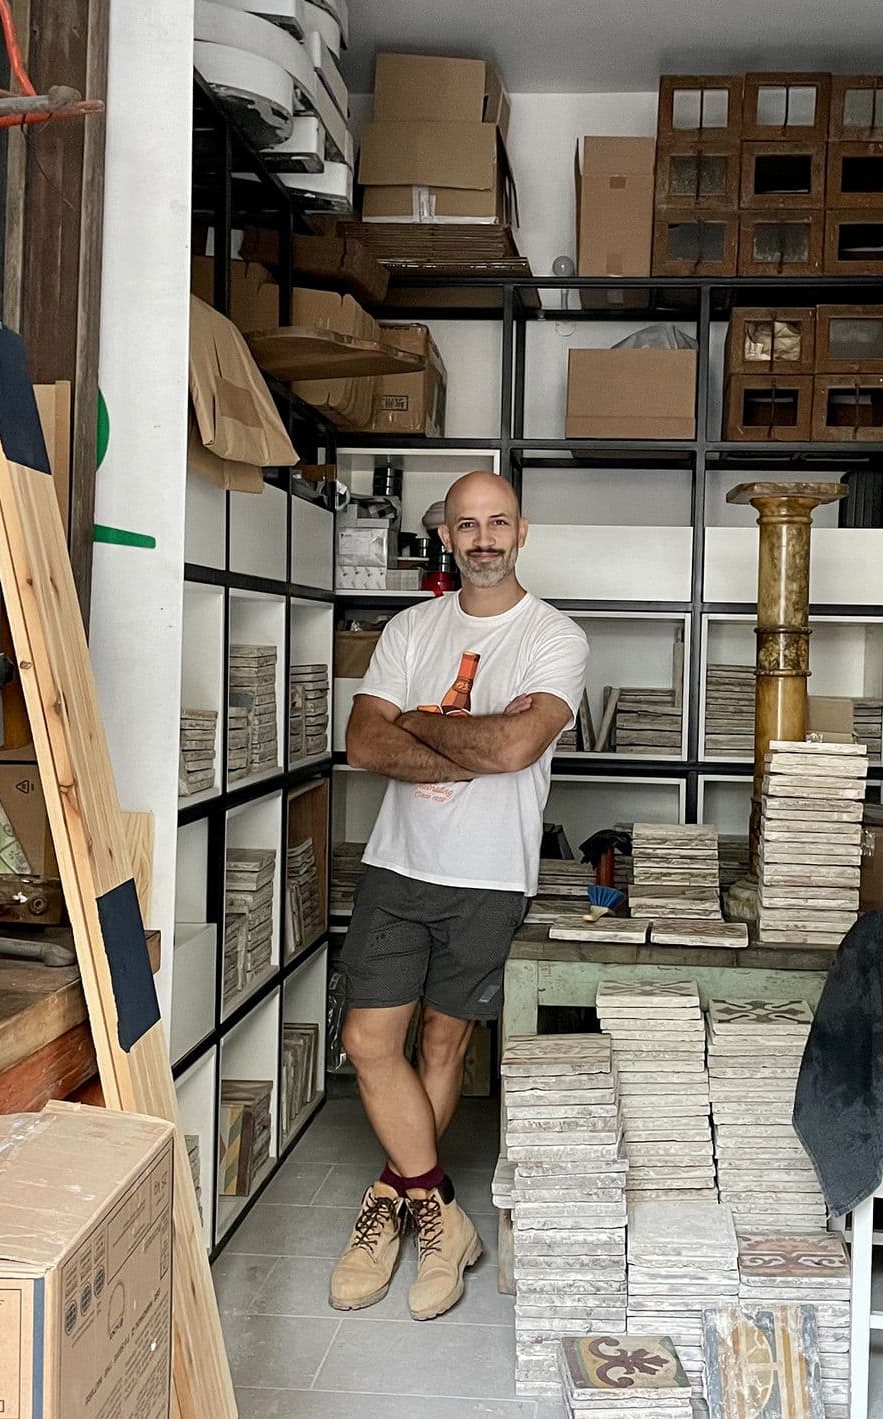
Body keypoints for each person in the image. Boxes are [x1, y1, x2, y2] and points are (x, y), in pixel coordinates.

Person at [330, 470, 587, 1320]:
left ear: (523, 531)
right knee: (370, 1041)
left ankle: (397, 1208)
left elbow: (516, 746)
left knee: (443, 1046)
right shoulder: (411, 627)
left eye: (498, 522)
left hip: (488, 873)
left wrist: (420, 724)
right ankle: (440, 1212)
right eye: (466, 524)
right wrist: (467, 743)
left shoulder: (555, 637)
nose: (482, 538)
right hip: (400, 862)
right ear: (444, 535)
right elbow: (363, 741)